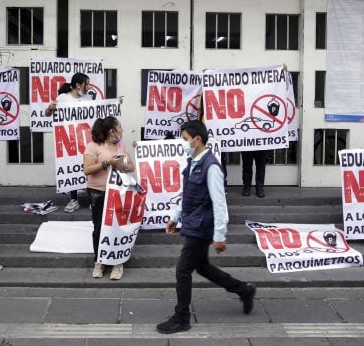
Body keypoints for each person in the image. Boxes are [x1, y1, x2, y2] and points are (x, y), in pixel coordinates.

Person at [156, 120, 256, 334]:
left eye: (184, 139)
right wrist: (176, 216)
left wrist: (219, 236)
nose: (182, 143)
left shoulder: (211, 167)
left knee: (183, 270)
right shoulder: (192, 162)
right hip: (194, 221)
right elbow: (188, 195)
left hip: (202, 225)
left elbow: (220, 203)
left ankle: (182, 318)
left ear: (197, 139)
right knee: (201, 266)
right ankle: (244, 290)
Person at [83, 116, 135, 280]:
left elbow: (131, 167)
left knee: (118, 227)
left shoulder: (120, 145)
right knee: (100, 227)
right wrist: (107, 163)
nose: (122, 129)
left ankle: (117, 263)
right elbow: (88, 169)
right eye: (120, 126)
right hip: (98, 192)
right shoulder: (93, 146)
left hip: (118, 192)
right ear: (112, 131)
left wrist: (122, 164)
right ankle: (99, 261)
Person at [45, 73, 92, 213]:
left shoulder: (88, 98)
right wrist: (50, 108)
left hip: (86, 140)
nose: (89, 87)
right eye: (87, 84)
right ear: (78, 85)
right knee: (71, 167)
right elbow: (47, 114)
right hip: (69, 140)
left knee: (89, 169)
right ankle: (73, 200)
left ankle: (92, 199)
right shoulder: (63, 98)